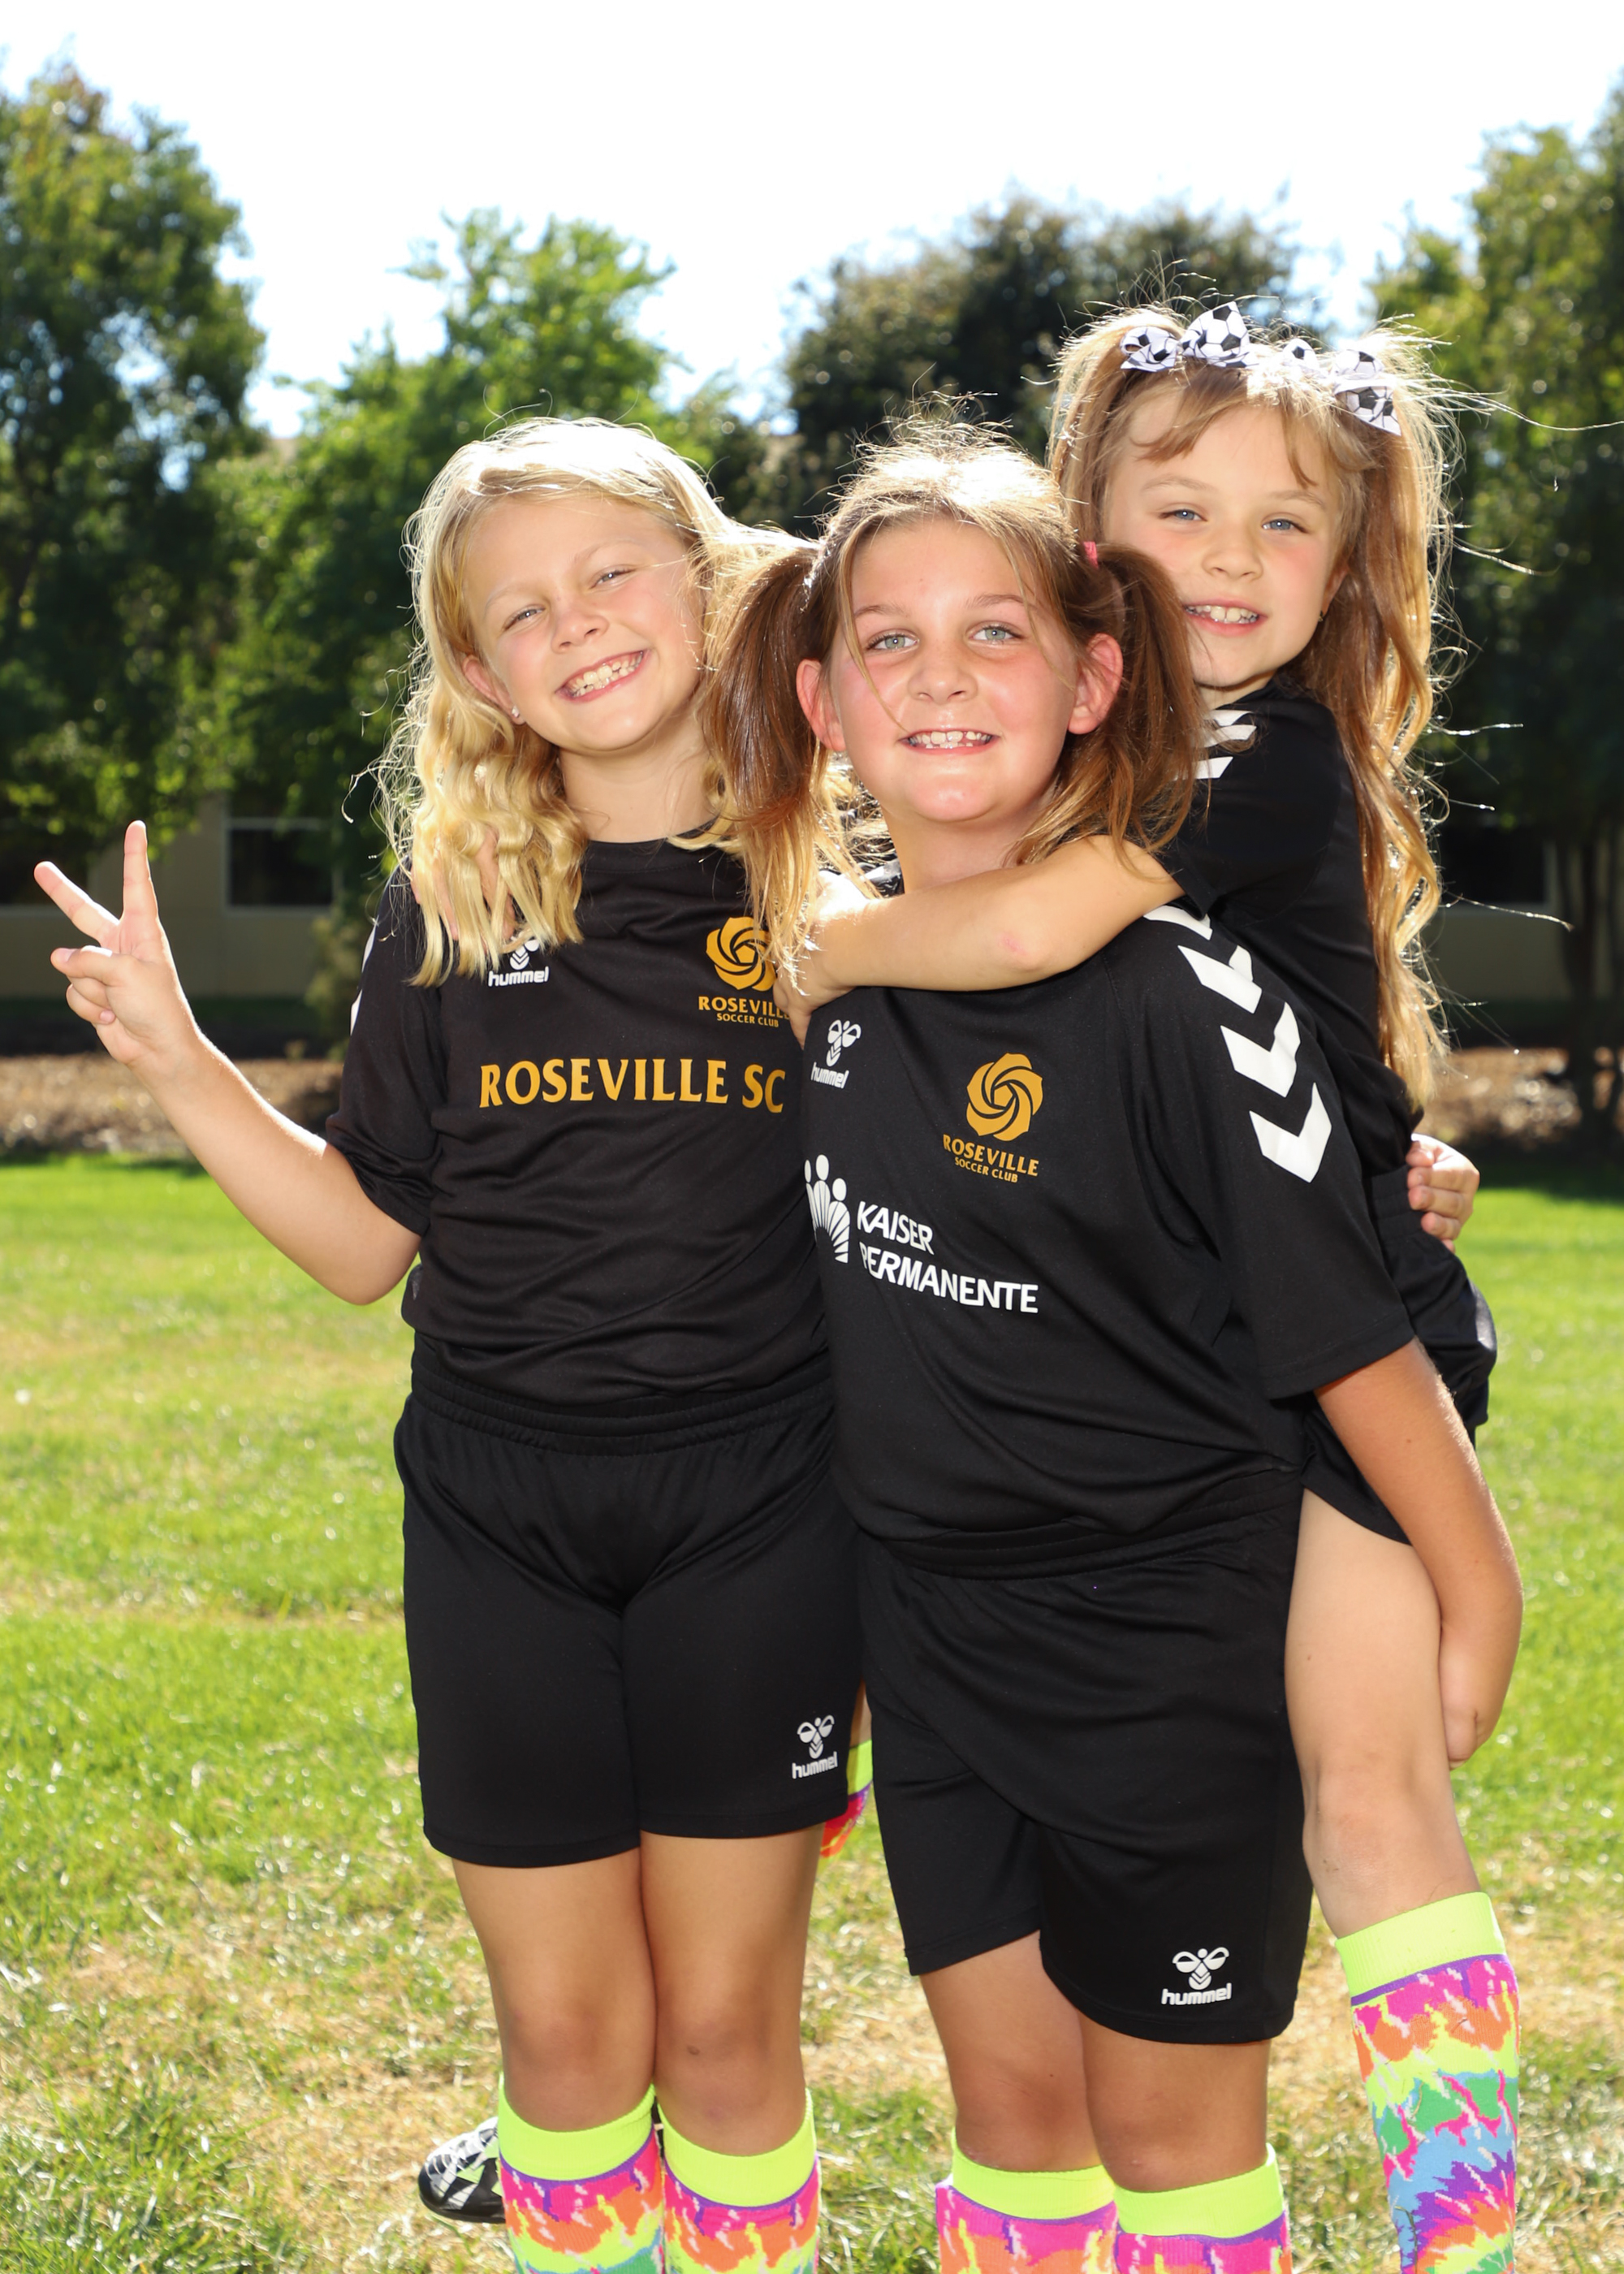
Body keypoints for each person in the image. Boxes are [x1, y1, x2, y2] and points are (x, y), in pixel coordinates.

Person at [36, 418, 871, 2274]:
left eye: (611, 571)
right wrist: (176, 1054)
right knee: (567, 2042)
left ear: (706, 582)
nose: (577, 624)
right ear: (481, 674)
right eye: (521, 610)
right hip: (502, 1523)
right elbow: (362, 1242)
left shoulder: (829, 893)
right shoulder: (455, 904)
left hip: (760, 1514)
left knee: (725, 2037)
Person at [710, 423, 1522, 2273]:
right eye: (889, 640)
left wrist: (1479, 1589)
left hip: (1165, 1655)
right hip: (936, 1650)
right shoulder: (816, 981)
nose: (939, 676)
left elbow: (1350, 1336)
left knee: (1166, 2134)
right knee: (1012, 2112)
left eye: (992, 631)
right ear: (827, 702)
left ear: (1092, 680)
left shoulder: (1176, 984)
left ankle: (1461, 2225)